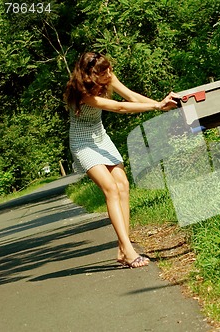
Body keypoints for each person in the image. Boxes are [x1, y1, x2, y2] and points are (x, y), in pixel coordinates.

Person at [64, 52, 179, 268]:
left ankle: (122, 248)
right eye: (102, 71)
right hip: (82, 142)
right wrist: (157, 106)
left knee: (123, 185)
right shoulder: (80, 93)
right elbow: (119, 107)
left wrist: (161, 105)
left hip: (100, 137)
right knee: (111, 188)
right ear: (90, 75)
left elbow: (132, 98)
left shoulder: (108, 76)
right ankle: (128, 250)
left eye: (108, 69)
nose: (109, 73)